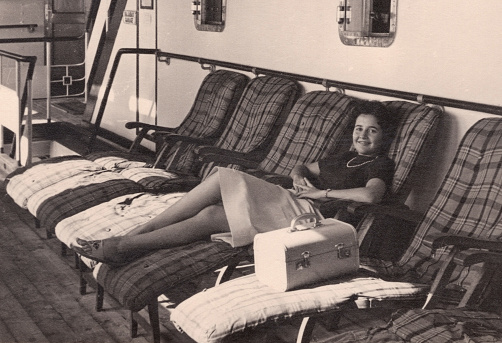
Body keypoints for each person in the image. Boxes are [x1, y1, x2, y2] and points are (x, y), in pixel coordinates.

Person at [72, 100, 397, 266]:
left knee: (221, 180)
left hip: (313, 215)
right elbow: (302, 165)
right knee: (212, 214)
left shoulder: (380, 163)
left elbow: (371, 196)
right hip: (293, 199)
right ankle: (128, 244)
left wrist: (319, 191)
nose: (362, 135)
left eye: (372, 131)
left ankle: (125, 243)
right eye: (359, 128)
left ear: (384, 136)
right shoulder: (342, 156)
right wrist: (300, 175)